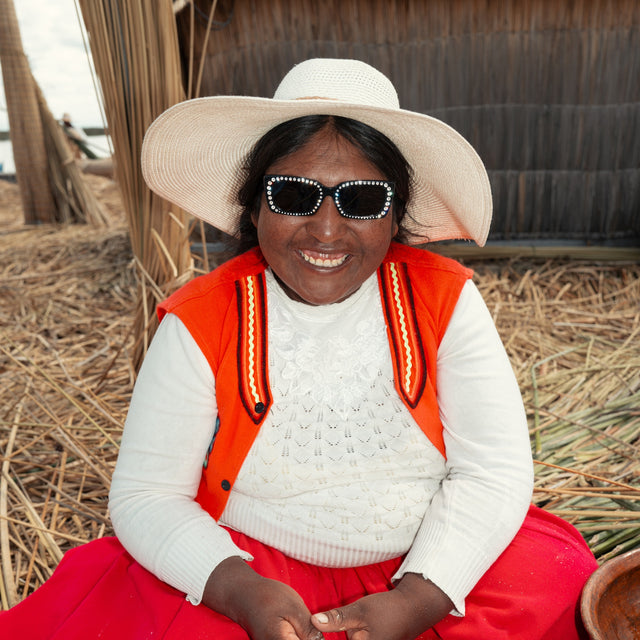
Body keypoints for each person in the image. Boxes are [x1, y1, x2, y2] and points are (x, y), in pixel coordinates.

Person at [0, 58, 597, 639]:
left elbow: (493, 472)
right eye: (293, 195)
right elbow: (147, 495)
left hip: (424, 566)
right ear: (254, 206)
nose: (327, 229)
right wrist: (234, 588)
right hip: (251, 572)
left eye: (361, 200)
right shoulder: (201, 321)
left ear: (397, 217)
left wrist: (421, 596)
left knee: (560, 583)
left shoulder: (446, 302)